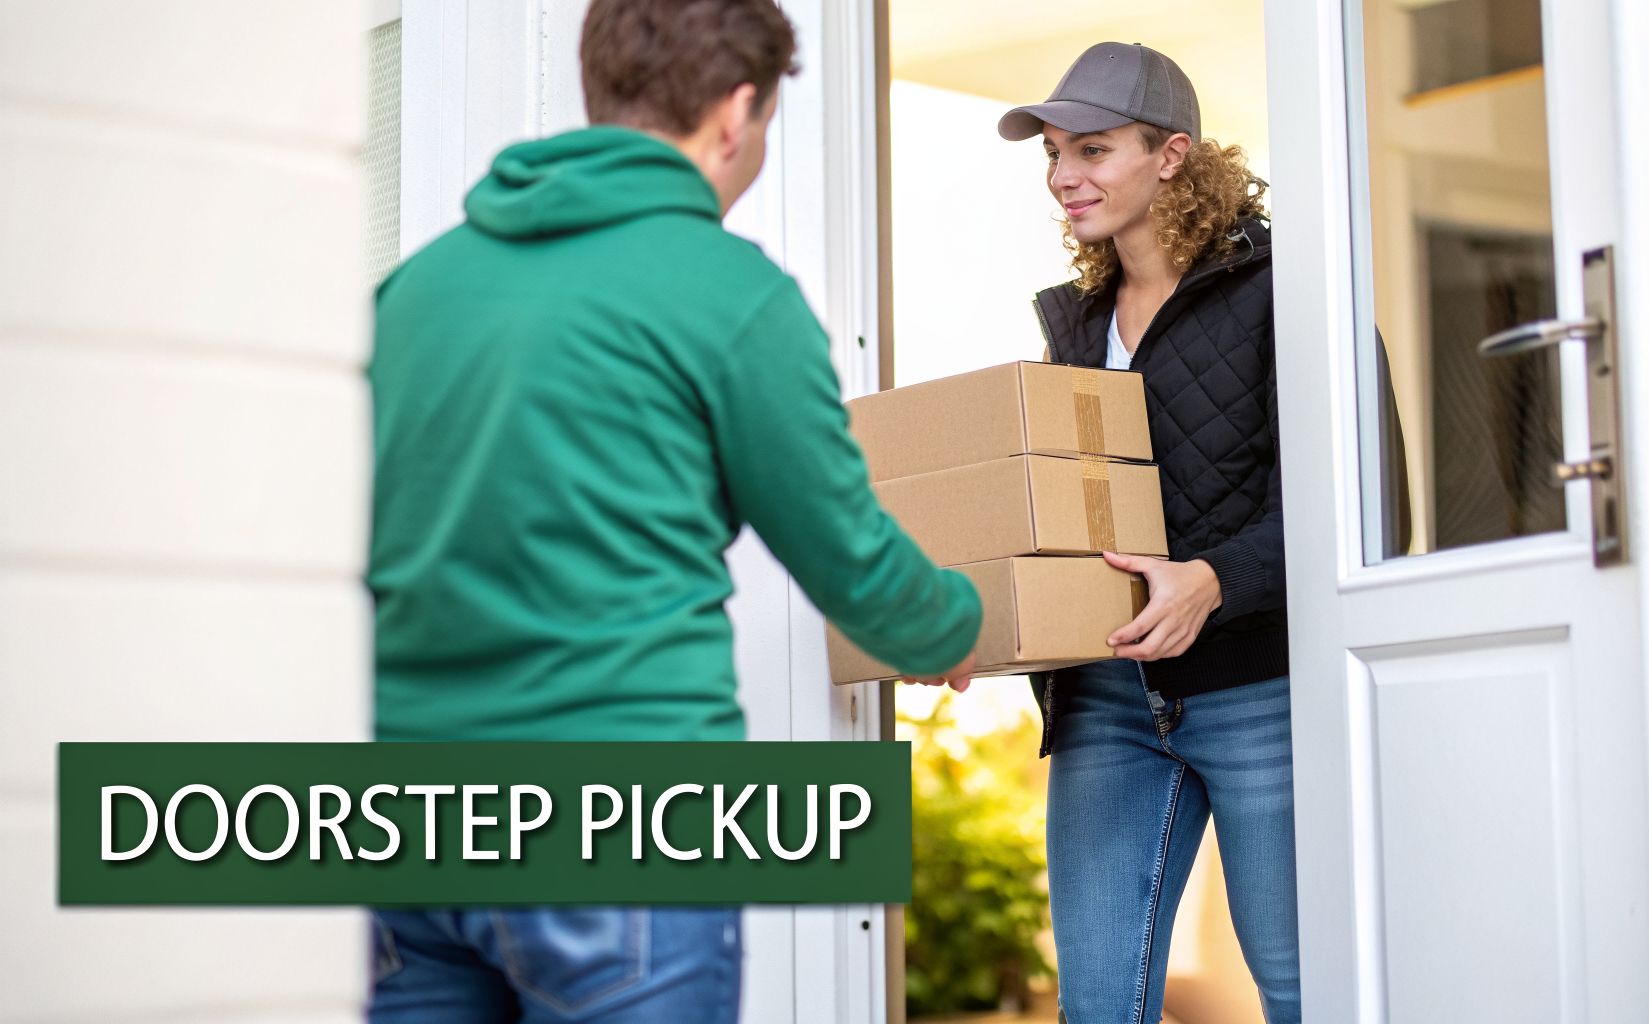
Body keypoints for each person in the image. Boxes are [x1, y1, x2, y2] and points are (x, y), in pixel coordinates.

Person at [364, 1, 980, 1020]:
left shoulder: (413, 292)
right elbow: (849, 558)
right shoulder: (728, 294)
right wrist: (949, 623)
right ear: (736, 112)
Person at [999, 42, 1301, 1023]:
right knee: (1094, 1000)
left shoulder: (1282, 290)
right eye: (1052, 152)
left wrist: (1209, 580)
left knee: (1300, 987)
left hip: (1253, 686)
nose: (1061, 176)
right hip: (1102, 697)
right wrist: (978, 621)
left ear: (1170, 154)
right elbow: (1060, 508)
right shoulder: (1076, 323)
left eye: (1091, 149)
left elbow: (1347, 507)